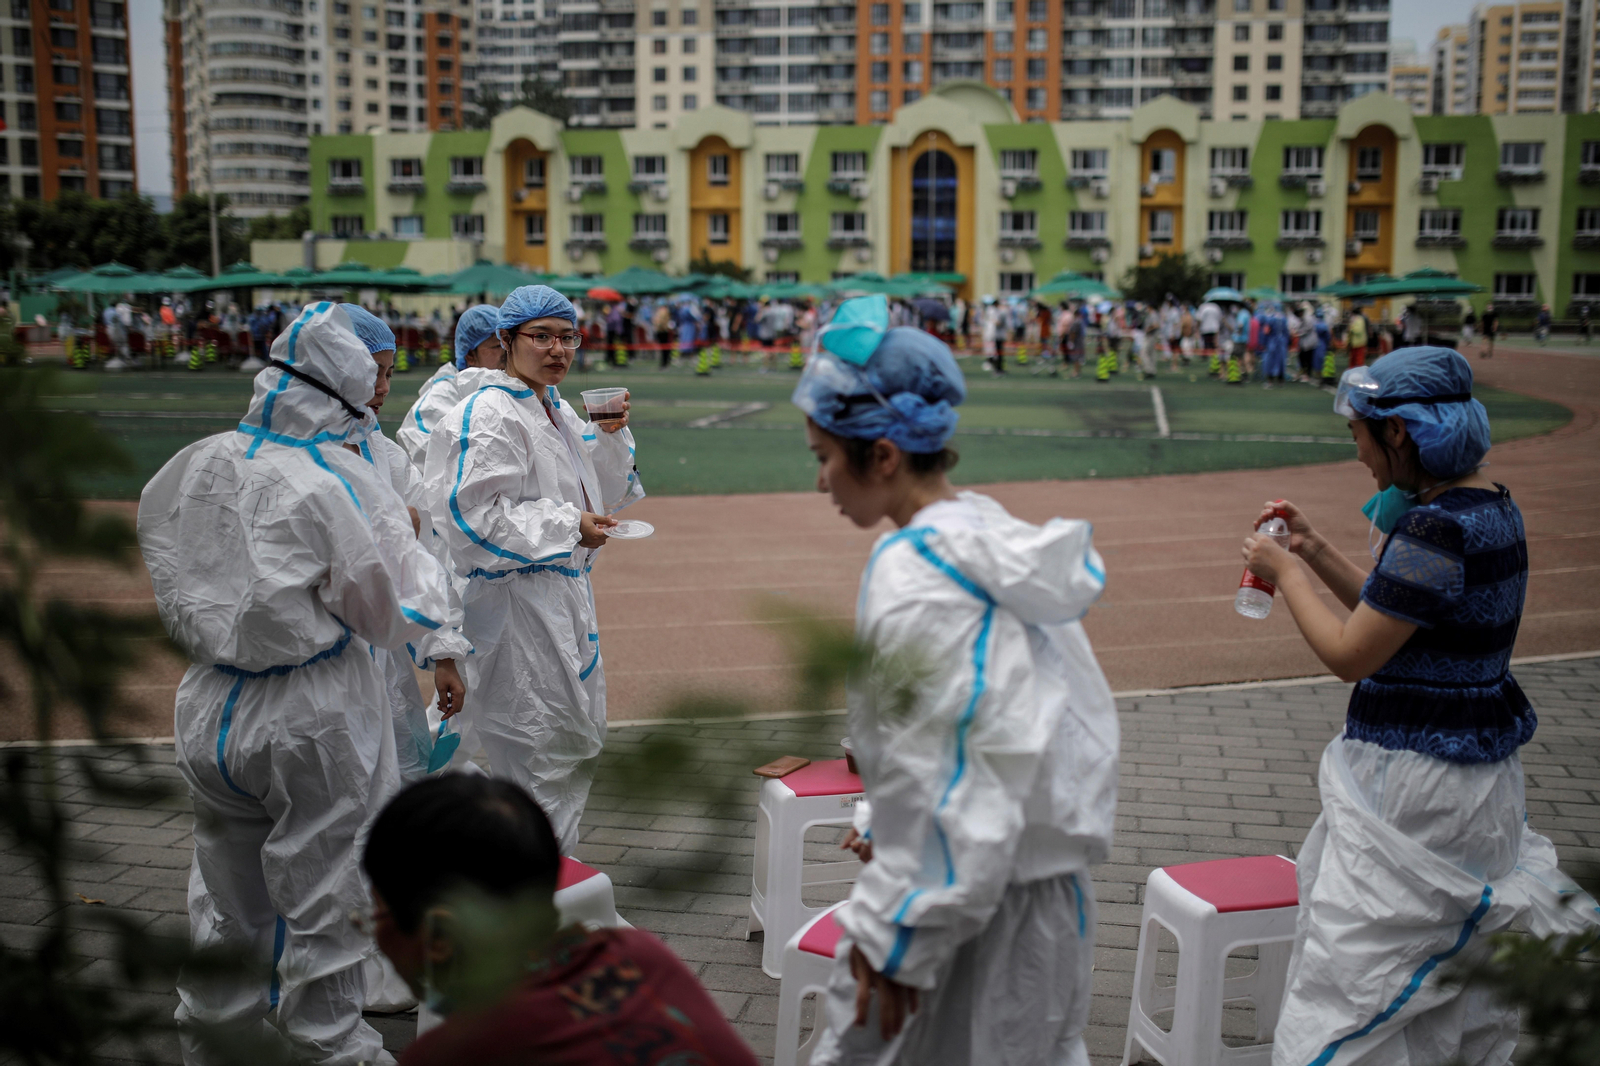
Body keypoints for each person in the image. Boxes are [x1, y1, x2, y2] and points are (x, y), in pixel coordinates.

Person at [1239, 348, 1599, 1065]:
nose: (1363, 461)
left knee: (1354, 987)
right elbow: (1396, 612)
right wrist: (1313, 549)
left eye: (1362, 441)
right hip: (1480, 789)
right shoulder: (1491, 507)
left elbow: (1352, 653)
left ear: (1399, 434)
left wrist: (1283, 571)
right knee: (1446, 995)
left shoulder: (1434, 530)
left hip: (1418, 794)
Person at [793, 296, 1118, 1065]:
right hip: (1017, 892)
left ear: (882, 455)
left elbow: (976, 755)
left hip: (974, 910)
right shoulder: (984, 531)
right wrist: (888, 816)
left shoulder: (919, 573)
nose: (819, 482)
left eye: (823, 457)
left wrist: (900, 929)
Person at [140, 302, 454, 1064]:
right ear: (348, 392)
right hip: (312, 711)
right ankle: (332, 1047)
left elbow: (171, 569)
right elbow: (388, 608)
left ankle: (215, 1041)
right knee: (328, 901)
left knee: (224, 901)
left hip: (209, 704)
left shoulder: (196, 460)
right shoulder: (335, 476)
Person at [421, 285, 644, 850]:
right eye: (540, 337)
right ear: (506, 340)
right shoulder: (490, 414)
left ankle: (544, 888)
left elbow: (606, 494)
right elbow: (470, 521)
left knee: (568, 750)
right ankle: (531, 900)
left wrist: (611, 442)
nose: (557, 349)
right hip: (516, 609)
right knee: (542, 762)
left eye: (566, 337)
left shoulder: (555, 408)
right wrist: (569, 527)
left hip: (562, 601)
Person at [361, 776, 758, 1065]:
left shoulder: (455, 1052)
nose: (374, 933)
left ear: (440, 935)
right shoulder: (640, 953)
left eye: (376, 914)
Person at [397, 304, 502, 468]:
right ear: (470, 355)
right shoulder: (438, 401)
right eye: (497, 346)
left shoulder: (506, 390)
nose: (506, 353)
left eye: (508, 345)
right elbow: (431, 467)